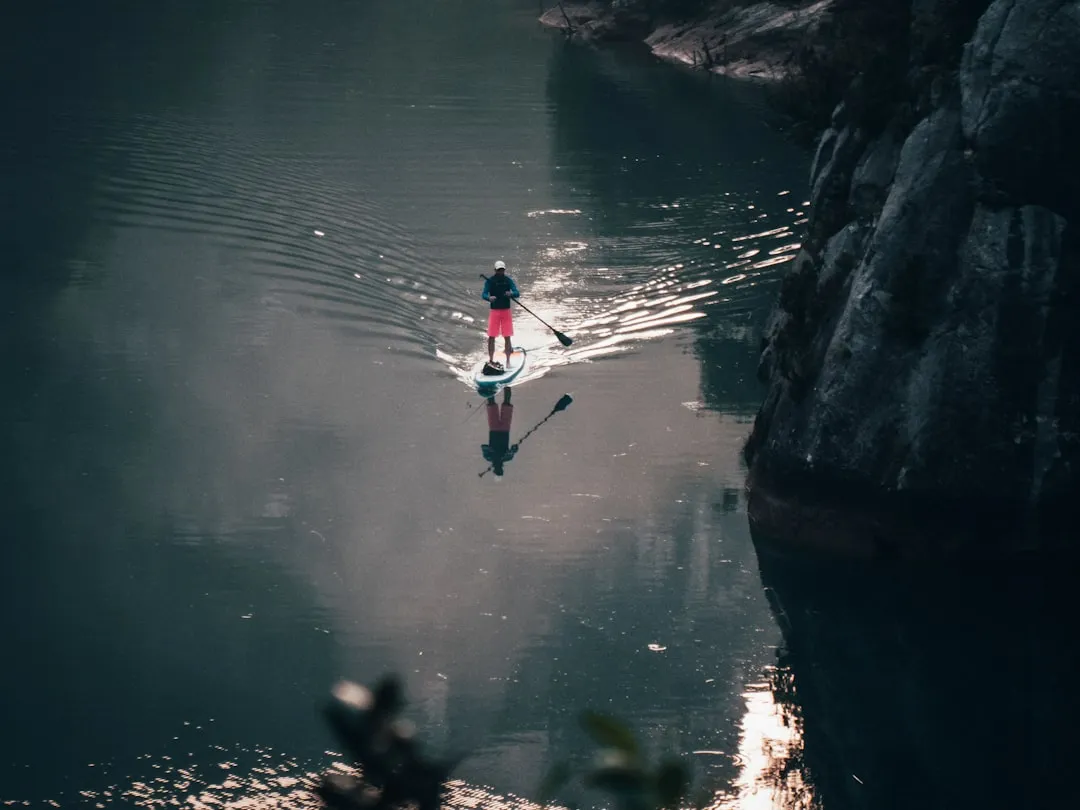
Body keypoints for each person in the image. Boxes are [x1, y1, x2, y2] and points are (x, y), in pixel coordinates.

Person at [481, 260, 520, 367]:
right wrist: (489, 298)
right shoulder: (489, 281)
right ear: (495, 270)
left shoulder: (508, 281)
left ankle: (508, 361)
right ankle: (491, 360)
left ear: (504, 270)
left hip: (506, 311)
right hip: (494, 311)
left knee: (507, 336)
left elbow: (517, 293)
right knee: (491, 336)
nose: (500, 272)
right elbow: (483, 294)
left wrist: (511, 293)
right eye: (498, 270)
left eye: (502, 270)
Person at [482, 387, 518, 478]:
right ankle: (507, 386)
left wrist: (494, 454)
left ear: (494, 469)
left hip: (494, 429)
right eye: (500, 469)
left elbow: (483, 447)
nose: (499, 468)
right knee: (507, 403)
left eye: (497, 469)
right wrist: (514, 449)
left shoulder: (489, 457)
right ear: (502, 468)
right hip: (505, 429)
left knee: (491, 405)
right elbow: (514, 448)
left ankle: (489, 388)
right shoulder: (507, 457)